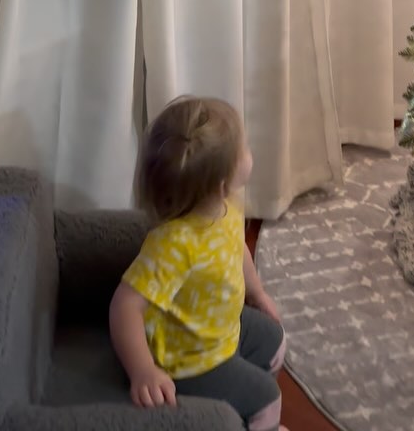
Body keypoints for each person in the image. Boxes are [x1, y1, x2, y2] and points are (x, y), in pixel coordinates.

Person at [109, 95, 288, 430]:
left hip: (223, 328)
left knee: (276, 341)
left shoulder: (228, 206)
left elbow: (238, 252)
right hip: (188, 359)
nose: (250, 152)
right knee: (269, 398)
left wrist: (258, 294)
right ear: (222, 181)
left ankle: (236, 405)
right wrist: (143, 369)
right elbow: (124, 307)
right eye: (244, 148)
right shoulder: (174, 244)